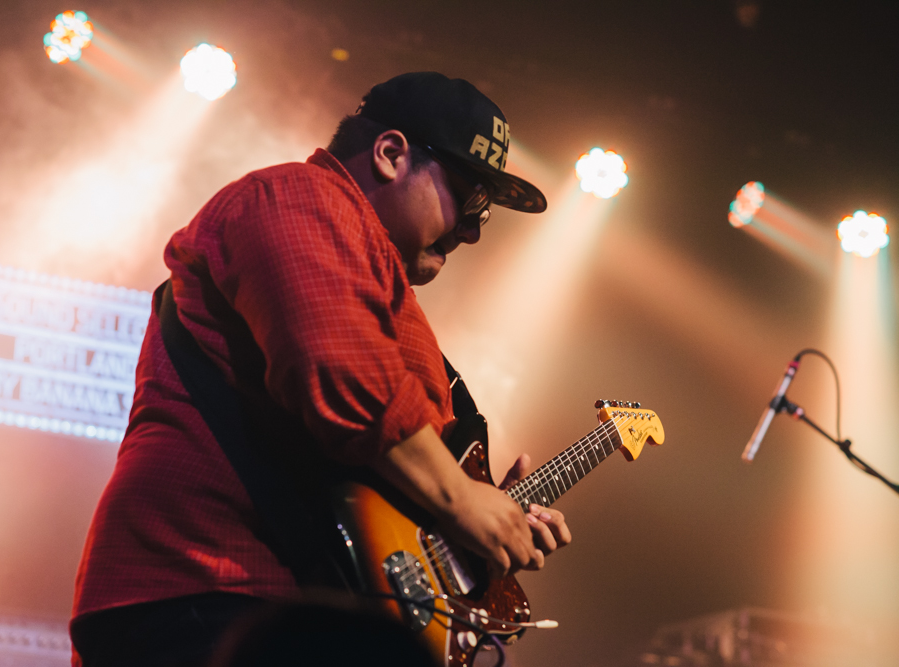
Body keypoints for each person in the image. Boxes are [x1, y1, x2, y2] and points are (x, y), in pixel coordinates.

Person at [70, 72, 571, 667]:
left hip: (287, 607)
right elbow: (341, 371)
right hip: (206, 591)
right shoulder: (293, 197)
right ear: (390, 154)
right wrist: (460, 499)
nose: (471, 231)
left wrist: (471, 527)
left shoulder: (372, 269)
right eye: (470, 199)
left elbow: (366, 473)